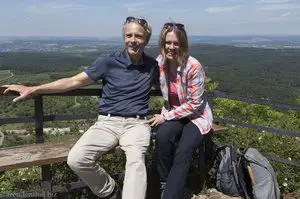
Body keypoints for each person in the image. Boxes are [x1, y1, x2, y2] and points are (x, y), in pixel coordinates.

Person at [2, 16, 159, 199]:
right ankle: (109, 190)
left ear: (146, 40)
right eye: (129, 35)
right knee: (76, 159)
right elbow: (74, 81)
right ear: (123, 37)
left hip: (137, 124)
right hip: (107, 122)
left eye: (138, 36)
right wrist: (34, 89)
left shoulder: (153, 66)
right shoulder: (107, 62)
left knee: (136, 160)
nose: (133, 40)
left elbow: (171, 86)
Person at [148, 22, 213, 199]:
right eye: (168, 43)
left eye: (176, 43)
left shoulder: (193, 67)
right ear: (162, 43)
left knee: (183, 151)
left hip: (196, 116)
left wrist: (165, 117)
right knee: (162, 138)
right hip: (174, 112)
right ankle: (164, 183)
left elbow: (195, 103)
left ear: (182, 45)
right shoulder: (160, 62)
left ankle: (171, 195)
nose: (171, 47)